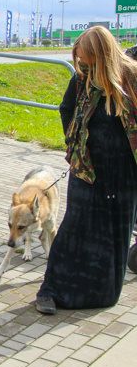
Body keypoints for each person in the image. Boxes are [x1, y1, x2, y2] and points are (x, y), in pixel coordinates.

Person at [35, 26, 137, 315]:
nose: (83, 67)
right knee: (75, 228)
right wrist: (74, 140)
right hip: (87, 168)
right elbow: (66, 109)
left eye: (89, 62)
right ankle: (52, 290)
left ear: (102, 56)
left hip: (125, 172)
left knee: (115, 232)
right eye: (80, 61)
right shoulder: (81, 79)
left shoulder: (132, 77)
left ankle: (101, 293)